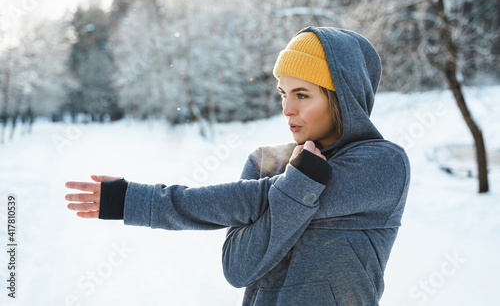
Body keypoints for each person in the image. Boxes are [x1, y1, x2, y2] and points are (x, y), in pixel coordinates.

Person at [65, 26, 410, 306]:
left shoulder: (383, 164)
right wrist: (299, 183)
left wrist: (137, 201)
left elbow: (251, 200)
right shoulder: (266, 162)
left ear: (343, 100)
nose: (287, 108)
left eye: (302, 95)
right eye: (282, 93)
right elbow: (237, 269)